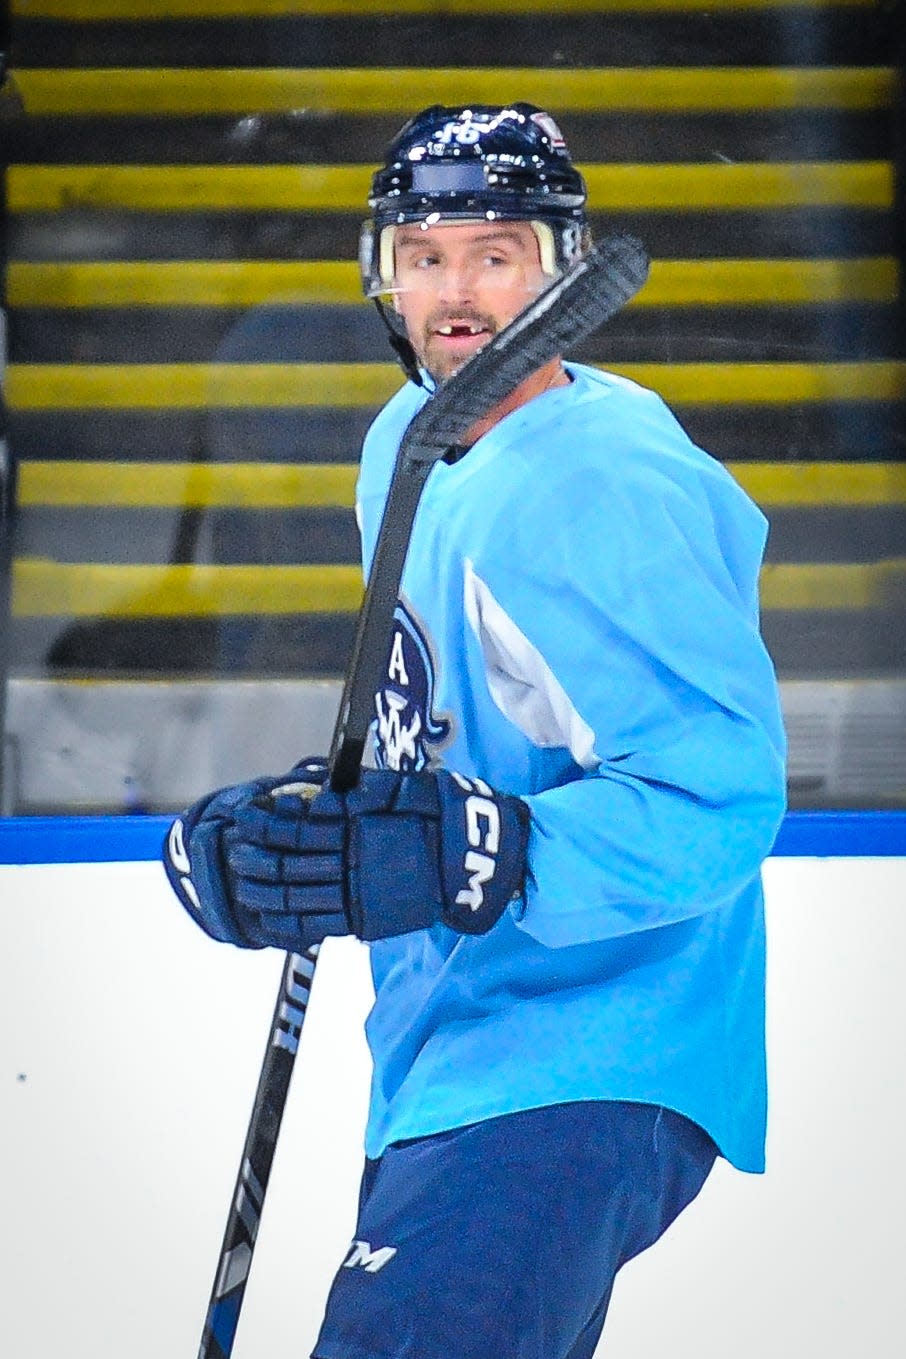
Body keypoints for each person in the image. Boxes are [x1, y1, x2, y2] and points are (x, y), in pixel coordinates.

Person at [163, 104, 787, 1359]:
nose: (457, 291)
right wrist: (323, 830)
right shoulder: (411, 436)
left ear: (559, 266)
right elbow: (448, 717)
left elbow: (722, 796)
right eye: (426, 253)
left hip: (594, 1051)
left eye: (495, 254)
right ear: (380, 272)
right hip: (454, 1045)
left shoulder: (604, 484)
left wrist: (481, 854)